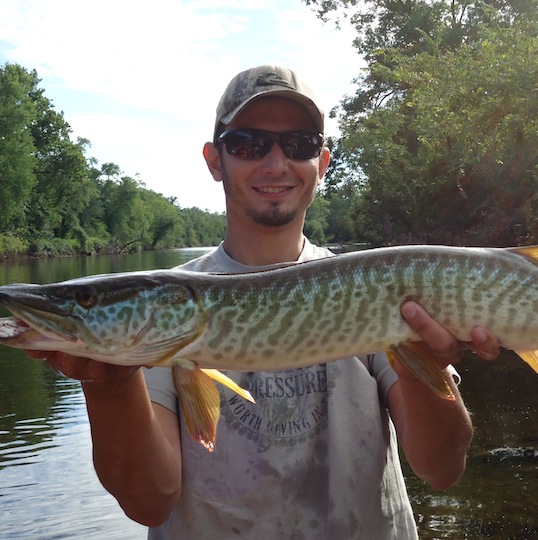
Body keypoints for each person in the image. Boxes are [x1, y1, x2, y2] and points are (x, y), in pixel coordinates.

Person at [32, 65, 500, 539]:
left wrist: (423, 370)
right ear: (215, 161)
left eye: (299, 144)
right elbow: (149, 500)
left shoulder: (371, 288)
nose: (276, 164)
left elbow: (441, 469)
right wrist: (109, 386)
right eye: (248, 144)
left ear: (322, 162)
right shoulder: (168, 309)